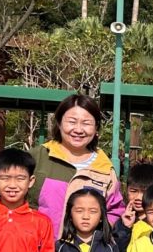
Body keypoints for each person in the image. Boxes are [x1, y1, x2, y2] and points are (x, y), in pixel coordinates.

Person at [29, 93, 123, 236]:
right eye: (72, 122)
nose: (78, 130)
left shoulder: (104, 169)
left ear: (96, 128)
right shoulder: (37, 157)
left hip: (83, 249)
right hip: (36, 246)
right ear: (59, 123)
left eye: (86, 123)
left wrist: (96, 239)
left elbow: (115, 210)